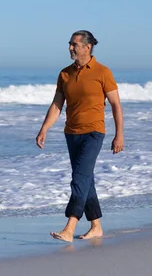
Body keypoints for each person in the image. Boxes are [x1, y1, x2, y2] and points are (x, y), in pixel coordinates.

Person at [36, 30, 124, 243]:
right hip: (72, 133)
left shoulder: (103, 72)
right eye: (70, 43)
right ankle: (96, 226)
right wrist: (44, 128)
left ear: (87, 47)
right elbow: (57, 104)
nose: (70, 48)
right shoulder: (64, 73)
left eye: (74, 44)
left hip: (94, 132)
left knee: (79, 179)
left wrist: (119, 134)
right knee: (86, 179)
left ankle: (70, 226)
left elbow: (115, 105)